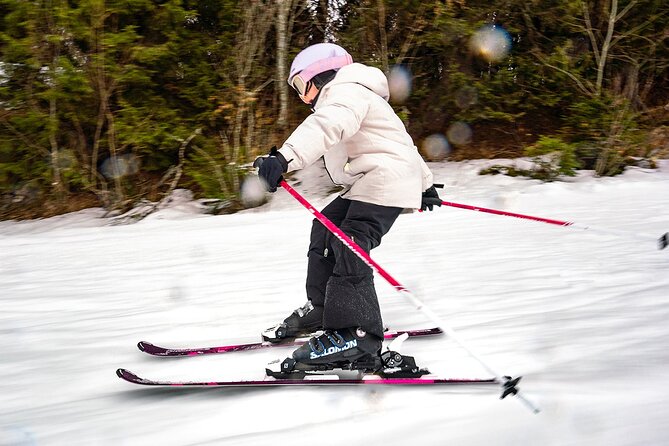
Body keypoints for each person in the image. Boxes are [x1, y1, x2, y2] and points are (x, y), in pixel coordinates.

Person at [257, 42, 441, 371]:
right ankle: (325, 307)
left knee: (349, 242)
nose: (302, 96)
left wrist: (284, 157)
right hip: (372, 180)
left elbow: (327, 126)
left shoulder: (343, 92)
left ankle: (356, 337)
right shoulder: (357, 94)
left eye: (300, 85)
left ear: (319, 76)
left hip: (384, 179)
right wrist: (425, 183)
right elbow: (401, 140)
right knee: (325, 227)